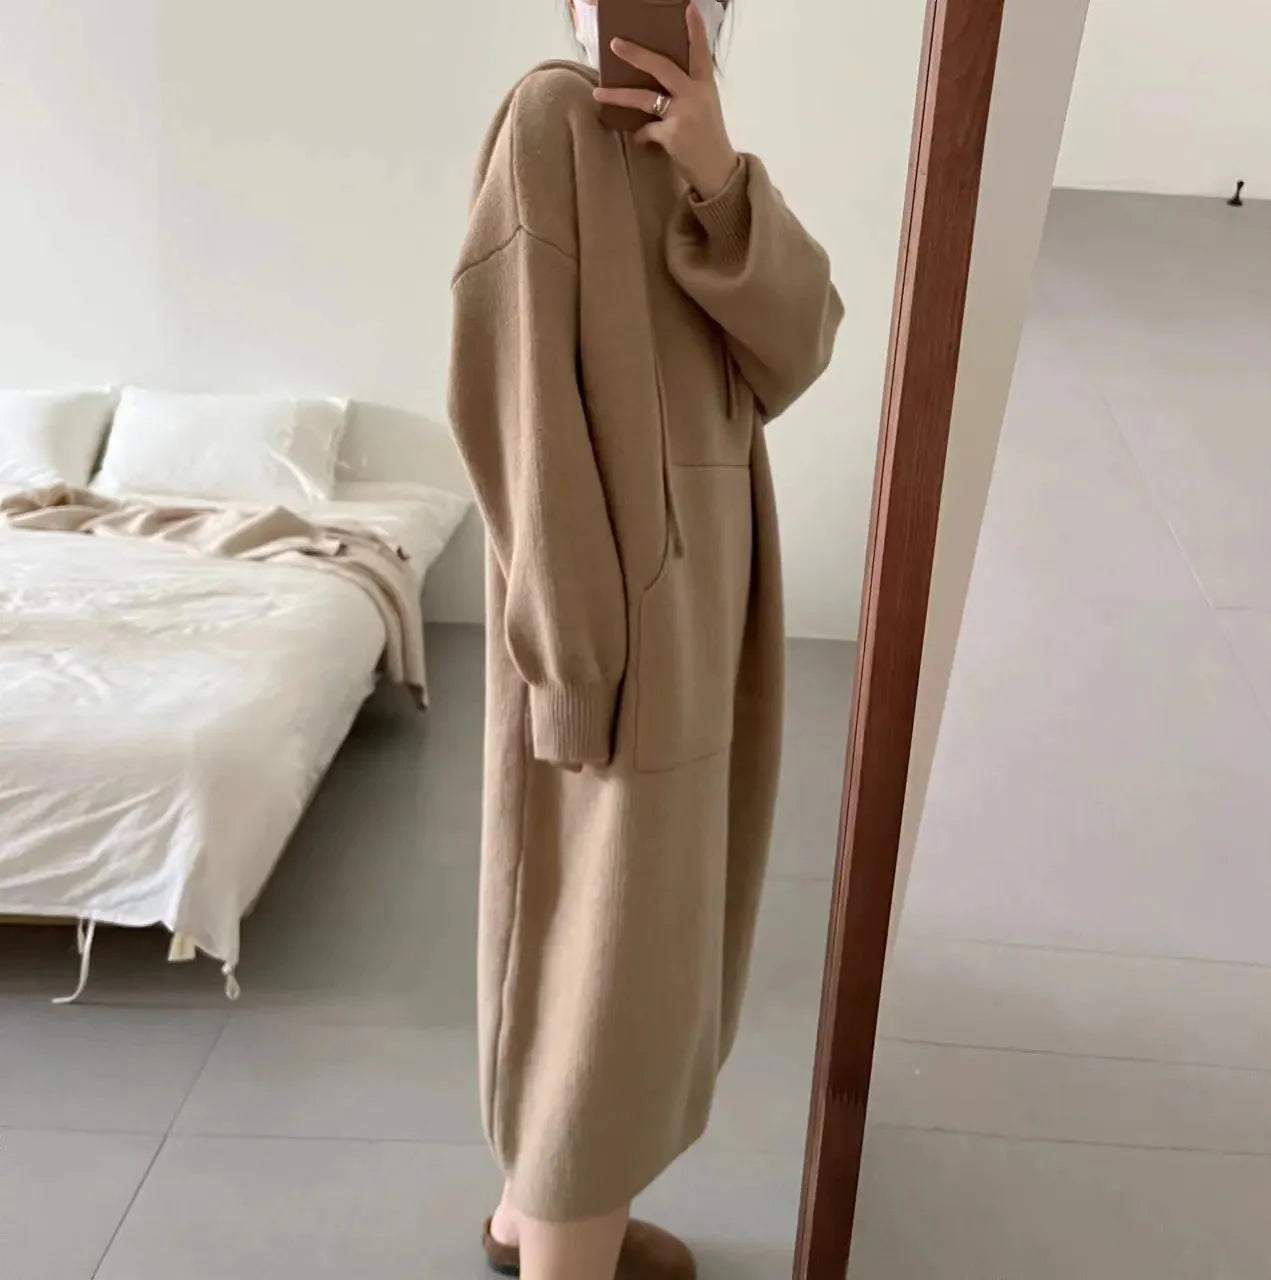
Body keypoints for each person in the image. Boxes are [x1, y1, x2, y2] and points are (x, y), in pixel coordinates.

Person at [448, 2, 842, 1277]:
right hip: (614, 638)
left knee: (642, 945)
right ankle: (564, 1241)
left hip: (711, 609)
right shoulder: (550, 119)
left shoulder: (692, 158)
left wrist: (718, 172)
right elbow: (516, 411)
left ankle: (531, 1220)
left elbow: (798, 346)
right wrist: (573, 664)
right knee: (601, 960)